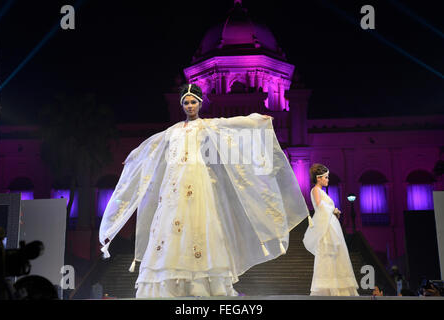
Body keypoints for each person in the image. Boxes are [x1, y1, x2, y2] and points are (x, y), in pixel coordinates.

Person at [99, 83, 310, 298]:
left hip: (198, 179)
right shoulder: (173, 131)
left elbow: (232, 125)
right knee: (170, 226)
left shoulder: (207, 125)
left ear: (200, 104)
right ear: (182, 105)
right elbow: (151, 146)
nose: (190, 106)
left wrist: (257, 120)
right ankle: (172, 284)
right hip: (175, 183)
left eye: (193, 102)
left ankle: (202, 282)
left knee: (201, 224)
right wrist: (134, 158)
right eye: (186, 103)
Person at [302, 163, 359, 296]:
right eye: (326, 177)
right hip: (326, 228)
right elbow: (319, 205)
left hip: (331, 225)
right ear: (319, 178)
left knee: (336, 256)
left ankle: (339, 288)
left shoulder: (320, 191)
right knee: (327, 255)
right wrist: (332, 209)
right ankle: (328, 289)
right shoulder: (315, 190)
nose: (328, 180)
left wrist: (334, 211)